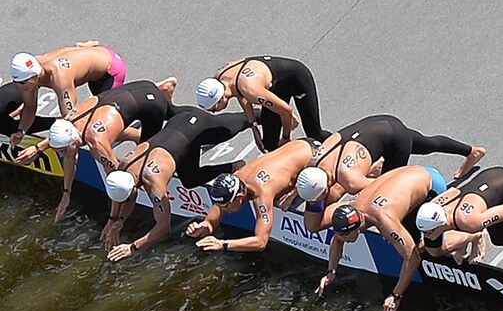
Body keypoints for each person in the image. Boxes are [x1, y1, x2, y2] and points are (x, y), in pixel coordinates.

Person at [101, 107, 252, 260]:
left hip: (195, 124)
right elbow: (122, 197)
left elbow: (163, 228)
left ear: (134, 187)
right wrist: (114, 220)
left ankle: (269, 110)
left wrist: (132, 247)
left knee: (245, 120)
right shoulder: (124, 167)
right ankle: (234, 166)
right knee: (189, 180)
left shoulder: (154, 182)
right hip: (179, 133)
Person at [16, 78, 178, 221]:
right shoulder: (70, 120)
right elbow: (68, 155)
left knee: (146, 155)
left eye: (63, 150)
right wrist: (66, 193)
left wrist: (114, 219)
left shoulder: (97, 145)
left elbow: (119, 182)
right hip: (140, 87)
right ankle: (163, 90)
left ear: (73, 142)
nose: (62, 154)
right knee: (113, 130)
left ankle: (183, 130)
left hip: (151, 105)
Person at [294, 114, 485, 221]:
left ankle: (436, 206)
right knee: (426, 144)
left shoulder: (352, 180)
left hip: (394, 139)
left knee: (390, 193)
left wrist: (373, 171)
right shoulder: (314, 160)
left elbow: (384, 185)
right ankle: (472, 151)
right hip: (377, 123)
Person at [318, 164, 449, 311]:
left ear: (357, 227)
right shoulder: (352, 209)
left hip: (433, 184)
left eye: (346, 236)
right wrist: (331, 272)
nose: (344, 240)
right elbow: (337, 239)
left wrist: (396, 295)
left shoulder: (384, 220)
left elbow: (413, 259)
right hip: (411, 173)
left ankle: (471, 235)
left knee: (433, 250)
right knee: (405, 240)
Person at [184, 138, 319, 253]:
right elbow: (212, 219)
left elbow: (261, 242)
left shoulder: (262, 194)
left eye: (226, 206)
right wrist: (204, 226)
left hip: (316, 156)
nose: (223, 210)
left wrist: (223, 244)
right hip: (300, 143)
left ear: (239, 197)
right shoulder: (236, 179)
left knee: (294, 196)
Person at [195, 56, 329, 151]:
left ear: (221, 99)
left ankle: (340, 144)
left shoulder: (251, 89)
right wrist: (254, 127)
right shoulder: (220, 78)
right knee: (269, 144)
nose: (213, 112)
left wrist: (286, 137)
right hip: (273, 86)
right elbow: (240, 95)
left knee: (314, 133)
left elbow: (286, 111)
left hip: (297, 79)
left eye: (213, 109)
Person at [415, 166, 503, 265]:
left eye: (427, 232)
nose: (426, 236)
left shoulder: (469, 221)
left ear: (439, 224)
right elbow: (453, 191)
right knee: (498, 239)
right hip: (489, 181)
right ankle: (476, 236)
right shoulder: (434, 205)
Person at [7, 43, 126, 142]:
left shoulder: (60, 77)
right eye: (16, 82)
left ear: (35, 76)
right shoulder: (30, 73)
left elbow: (71, 119)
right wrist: (21, 132)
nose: (19, 87)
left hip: (111, 70)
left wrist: (40, 148)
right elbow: (29, 107)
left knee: (96, 126)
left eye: (22, 83)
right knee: (90, 123)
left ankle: (135, 134)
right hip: (94, 58)